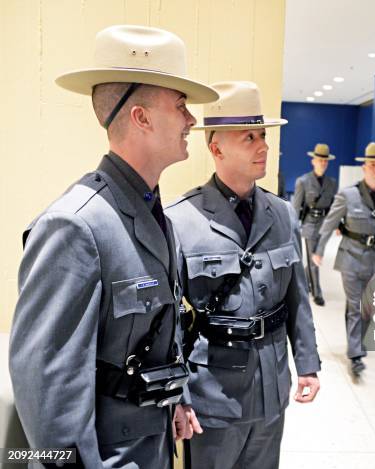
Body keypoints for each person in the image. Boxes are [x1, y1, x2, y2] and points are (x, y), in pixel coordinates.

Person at [9, 25, 218, 468]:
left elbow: (158, 330)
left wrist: (173, 397)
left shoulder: (153, 211)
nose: (191, 121)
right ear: (141, 117)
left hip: (150, 444)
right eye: (180, 106)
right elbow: (46, 393)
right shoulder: (75, 225)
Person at [165, 81, 320, 469]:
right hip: (211, 393)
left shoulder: (281, 213)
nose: (263, 146)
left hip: (271, 386)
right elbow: (167, 320)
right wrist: (177, 395)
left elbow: (297, 298)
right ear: (216, 148)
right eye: (249, 137)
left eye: (263, 135)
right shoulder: (180, 220)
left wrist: (308, 364)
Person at [312, 142, 375, 376]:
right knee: (357, 306)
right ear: (364, 167)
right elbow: (329, 224)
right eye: (373, 165)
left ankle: (357, 341)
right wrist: (318, 250)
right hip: (351, 258)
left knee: (368, 306)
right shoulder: (348, 195)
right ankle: (355, 354)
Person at [292, 143, 338, 306]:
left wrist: (338, 224)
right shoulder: (303, 181)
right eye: (320, 160)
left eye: (325, 161)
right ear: (313, 161)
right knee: (314, 261)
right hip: (310, 225)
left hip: (324, 226)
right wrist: (293, 229)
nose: (323, 163)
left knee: (317, 257)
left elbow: (335, 207)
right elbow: (296, 208)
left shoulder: (332, 183)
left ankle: (305, 280)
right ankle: (317, 293)